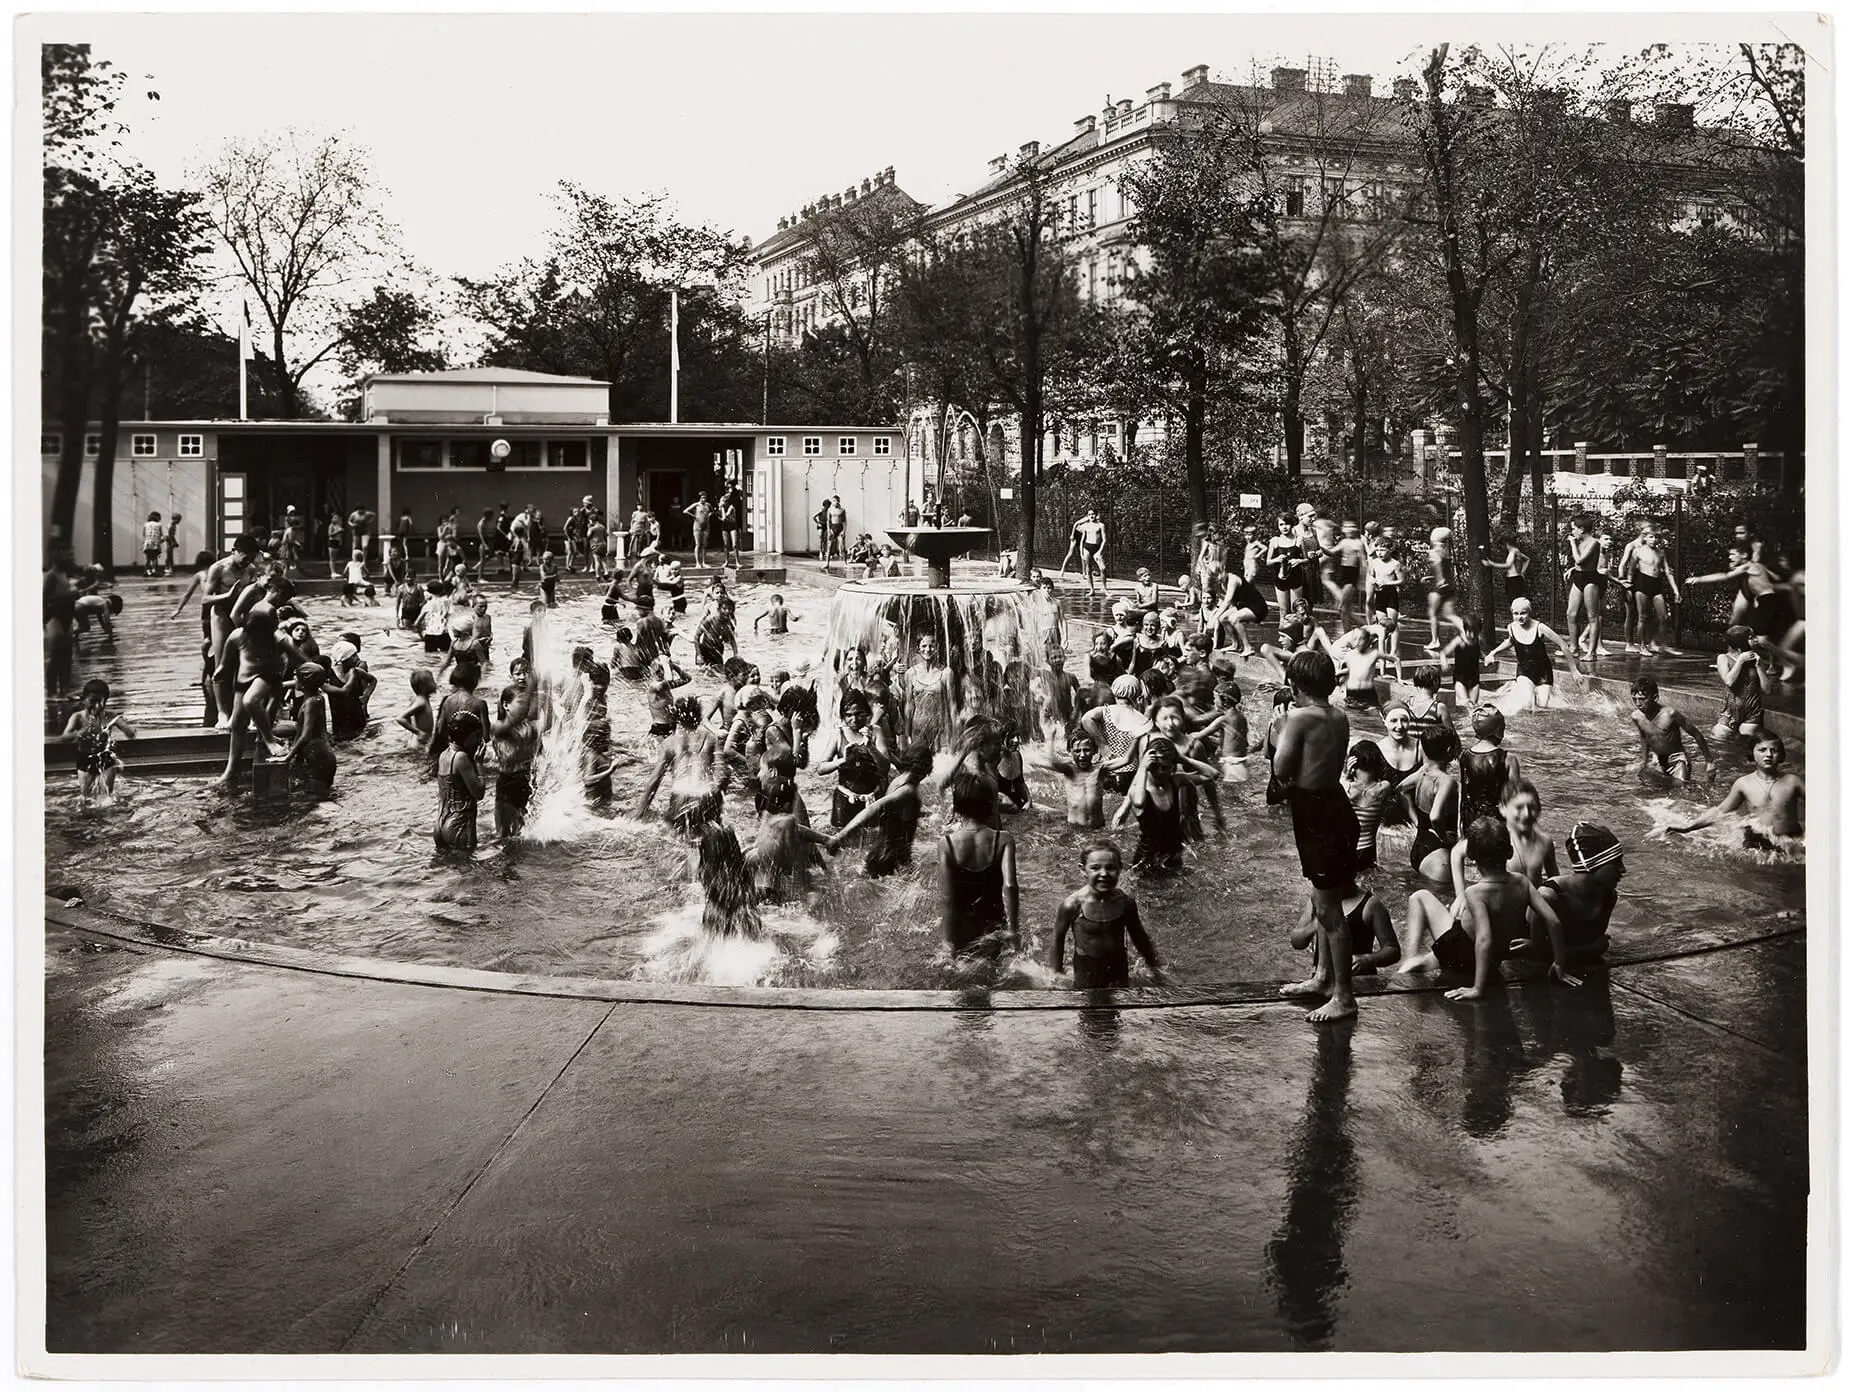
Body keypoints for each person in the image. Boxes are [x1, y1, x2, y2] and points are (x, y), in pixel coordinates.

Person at [1273, 650, 1361, 1024]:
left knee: (1329, 910)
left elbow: (1280, 769)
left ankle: (1344, 996)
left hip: (1316, 815)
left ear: (1294, 685)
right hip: (1335, 807)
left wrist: (1278, 729)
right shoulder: (1339, 715)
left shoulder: (1298, 717)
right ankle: (1323, 976)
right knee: (1322, 898)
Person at [1398, 816, 1577, 997]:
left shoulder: (1475, 893)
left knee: (1419, 898)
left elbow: (1484, 939)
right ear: (1510, 852)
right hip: (1492, 960)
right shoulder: (1523, 883)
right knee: (1444, 938)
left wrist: (1478, 989)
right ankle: (1418, 963)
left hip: (1459, 954)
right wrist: (1560, 965)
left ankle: (1404, 969)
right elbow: (1553, 922)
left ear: (1472, 857)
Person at [1049, 840, 1167, 988]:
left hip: (1118, 972)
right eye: (1095, 868)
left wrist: (1155, 969)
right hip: (1086, 973)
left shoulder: (1126, 904)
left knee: (1117, 1007)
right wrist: (1055, 975)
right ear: (1083, 870)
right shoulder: (1072, 905)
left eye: (1110, 868)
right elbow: (1057, 939)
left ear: (1120, 869)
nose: (1104, 874)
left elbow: (1140, 938)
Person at [1670, 733, 1803, 851]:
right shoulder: (1743, 783)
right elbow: (1720, 811)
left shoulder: (1792, 781)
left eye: (1774, 750)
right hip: (1757, 847)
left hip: (1788, 844)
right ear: (1753, 753)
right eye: (1762, 750)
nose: (1768, 754)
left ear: (1781, 755)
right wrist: (1688, 828)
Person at [939, 772, 1020, 961]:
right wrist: (1013, 930)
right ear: (990, 805)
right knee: (994, 970)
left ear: (957, 807)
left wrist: (947, 940)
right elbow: (1010, 887)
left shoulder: (947, 843)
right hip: (993, 921)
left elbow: (946, 897)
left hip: (961, 926)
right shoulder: (1003, 839)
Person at [829, 744, 934, 876]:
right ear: (927, 768)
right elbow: (874, 808)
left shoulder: (897, 781)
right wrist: (840, 837)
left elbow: (894, 813)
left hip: (880, 853)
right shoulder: (908, 791)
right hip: (892, 860)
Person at [637, 696, 726, 839]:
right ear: (698, 716)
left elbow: (654, 780)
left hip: (681, 797)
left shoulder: (669, 743)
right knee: (711, 839)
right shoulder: (711, 739)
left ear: (677, 717)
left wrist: (640, 812)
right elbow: (722, 775)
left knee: (676, 840)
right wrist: (716, 803)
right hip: (706, 796)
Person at [1288, 878, 1400, 977]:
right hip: (1323, 978)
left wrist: (1367, 959)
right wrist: (1316, 924)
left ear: (1352, 874)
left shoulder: (1371, 905)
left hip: (1360, 979)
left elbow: (1393, 950)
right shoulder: (1317, 900)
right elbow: (1297, 942)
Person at [1485, 597, 1578, 710]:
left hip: (1543, 673)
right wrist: (1493, 653)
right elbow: (1510, 641)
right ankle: (1519, 689)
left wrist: (1574, 670)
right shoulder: (1512, 628)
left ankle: (1542, 692)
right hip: (1524, 671)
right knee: (1528, 705)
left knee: (1543, 706)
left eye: (1523, 613)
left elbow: (1563, 644)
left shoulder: (1540, 628)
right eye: (1516, 613)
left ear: (1529, 612)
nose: (1519, 617)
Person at [1627, 675, 1715, 784]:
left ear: (1655, 697)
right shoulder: (1636, 717)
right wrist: (1644, 761)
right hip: (1658, 759)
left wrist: (1709, 761)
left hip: (1677, 759)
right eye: (1634, 699)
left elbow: (1697, 735)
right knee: (1646, 786)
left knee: (1681, 790)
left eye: (1642, 699)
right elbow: (1645, 737)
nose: (1638, 704)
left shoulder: (1670, 714)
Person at [62, 678, 136, 806]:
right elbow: (65, 736)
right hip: (85, 759)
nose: (97, 706)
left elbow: (130, 734)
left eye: (102, 702)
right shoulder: (78, 717)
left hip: (105, 758)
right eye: (93, 701)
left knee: (106, 797)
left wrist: (126, 729)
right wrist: (81, 732)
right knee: (86, 797)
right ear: (83, 699)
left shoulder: (110, 716)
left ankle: (108, 813)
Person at [1404, 726, 1461, 881]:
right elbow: (1435, 816)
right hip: (1438, 855)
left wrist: (1415, 819)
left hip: (1419, 846)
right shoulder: (1446, 781)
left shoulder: (1422, 772)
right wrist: (1444, 837)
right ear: (1450, 750)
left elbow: (1400, 790)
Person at [1617, 521, 1680, 655]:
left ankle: (1661, 644)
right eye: (1651, 537)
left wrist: (1675, 590)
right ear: (1644, 537)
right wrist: (1627, 587)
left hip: (1656, 584)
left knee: (1663, 617)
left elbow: (1668, 571)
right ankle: (1642, 646)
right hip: (1642, 584)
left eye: (1656, 537)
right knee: (1642, 617)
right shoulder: (1637, 550)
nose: (1654, 540)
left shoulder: (1661, 552)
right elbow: (1631, 570)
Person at [1458, 703, 1522, 828]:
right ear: (1499, 730)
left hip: (1472, 823)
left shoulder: (1464, 756)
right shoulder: (1508, 759)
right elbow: (1515, 798)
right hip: (1498, 824)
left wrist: (1460, 826)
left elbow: (1462, 795)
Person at [433, 709, 486, 852]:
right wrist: (479, 763)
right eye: (477, 736)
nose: (479, 741)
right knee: (469, 872)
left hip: (440, 823)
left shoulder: (444, 755)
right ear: (467, 737)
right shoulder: (461, 758)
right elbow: (479, 792)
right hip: (459, 825)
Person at [283, 663, 337, 795]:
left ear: (304, 683)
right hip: (323, 754)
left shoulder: (310, 703)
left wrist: (287, 757)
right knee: (319, 797)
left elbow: (306, 735)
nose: (294, 680)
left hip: (317, 757)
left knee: (315, 801)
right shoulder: (318, 697)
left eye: (296, 678)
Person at [1562, 513, 1607, 661]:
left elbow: (1580, 560)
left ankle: (1591, 653)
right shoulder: (1580, 541)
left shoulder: (1594, 542)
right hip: (1579, 578)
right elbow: (1577, 565)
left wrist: (1573, 544)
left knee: (1592, 616)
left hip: (1590, 580)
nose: (1572, 532)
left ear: (1581, 529)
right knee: (1571, 614)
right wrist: (1572, 569)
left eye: (1574, 528)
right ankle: (1574, 648)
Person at [1343, 739, 1393, 872]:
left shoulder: (1345, 787)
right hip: (1367, 849)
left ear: (1353, 764)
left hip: (1345, 849)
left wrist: (1346, 775)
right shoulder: (1383, 788)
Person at [1712, 626, 1767, 739]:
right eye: (1751, 638)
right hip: (1729, 713)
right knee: (1718, 735)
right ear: (1741, 642)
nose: (1756, 640)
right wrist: (1740, 661)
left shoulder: (1757, 660)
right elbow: (1729, 681)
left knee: (1746, 739)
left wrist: (1760, 668)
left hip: (1752, 712)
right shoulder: (1723, 658)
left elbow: (1767, 689)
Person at [1423, 527, 1462, 652]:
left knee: (1433, 614)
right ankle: (1467, 631)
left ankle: (1435, 641)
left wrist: (1439, 579)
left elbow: (1437, 564)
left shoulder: (1434, 552)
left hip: (1438, 587)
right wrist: (1430, 577)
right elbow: (1445, 568)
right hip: (1450, 586)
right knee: (1450, 615)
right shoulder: (1446, 551)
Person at [1442, 614, 1486, 708]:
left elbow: (1480, 653)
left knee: (1474, 706)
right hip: (1460, 679)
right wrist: (1444, 661)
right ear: (1465, 630)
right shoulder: (1459, 640)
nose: (1472, 635)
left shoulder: (1477, 640)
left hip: (1474, 679)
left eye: (1476, 632)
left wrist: (1486, 659)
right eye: (1470, 632)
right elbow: (1443, 653)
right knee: (1466, 703)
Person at [1058, 509, 1107, 594]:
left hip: (1097, 548)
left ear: (1096, 515)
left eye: (1093, 514)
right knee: (1088, 569)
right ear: (1087, 516)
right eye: (1089, 514)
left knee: (1103, 568)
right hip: (1087, 547)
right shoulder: (1086, 526)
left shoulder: (1101, 525)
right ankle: (1092, 589)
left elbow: (1104, 540)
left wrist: (1099, 552)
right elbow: (1082, 541)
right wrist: (1081, 552)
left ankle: (1104, 588)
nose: (1091, 516)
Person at [397, 668, 439, 740]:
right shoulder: (421, 702)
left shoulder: (417, 699)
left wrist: (413, 732)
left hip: (417, 739)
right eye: (432, 681)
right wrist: (418, 732)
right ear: (425, 686)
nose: (435, 683)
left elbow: (407, 716)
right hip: (421, 742)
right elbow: (400, 718)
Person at [684, 491, 713, 567]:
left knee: (704, 544)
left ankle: (704, 562)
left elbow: (712, 512)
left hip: (706, 526)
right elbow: (685, 511)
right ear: (699, 498)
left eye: (705, 498)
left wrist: (708, 516)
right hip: (697, 526)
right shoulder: (696, 505)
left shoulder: (708, 505)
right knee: (698, 544)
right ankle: (698, 562)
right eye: (702, 498)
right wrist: (693, 516)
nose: (704, 499)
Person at [718, 483, 744, 568]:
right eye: (728, 488)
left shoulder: (733, 502)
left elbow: (729, 511)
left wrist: (724, 515)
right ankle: (726, 561)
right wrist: (722, 513)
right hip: (725, 524)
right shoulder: (723, 500)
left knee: (735, 544)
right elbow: (721, 510)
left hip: (733, 523)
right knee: (726, 544)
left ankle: (737, 561)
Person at [141, 512, 164, 576]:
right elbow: (161, 534)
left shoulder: (146, 524)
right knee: (154, 558)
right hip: (155, 543)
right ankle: (154, 570)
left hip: (147, 543)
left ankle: (147, 571)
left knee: (148, 558)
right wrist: (162, 540)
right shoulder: (159, 524)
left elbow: (144, 534)